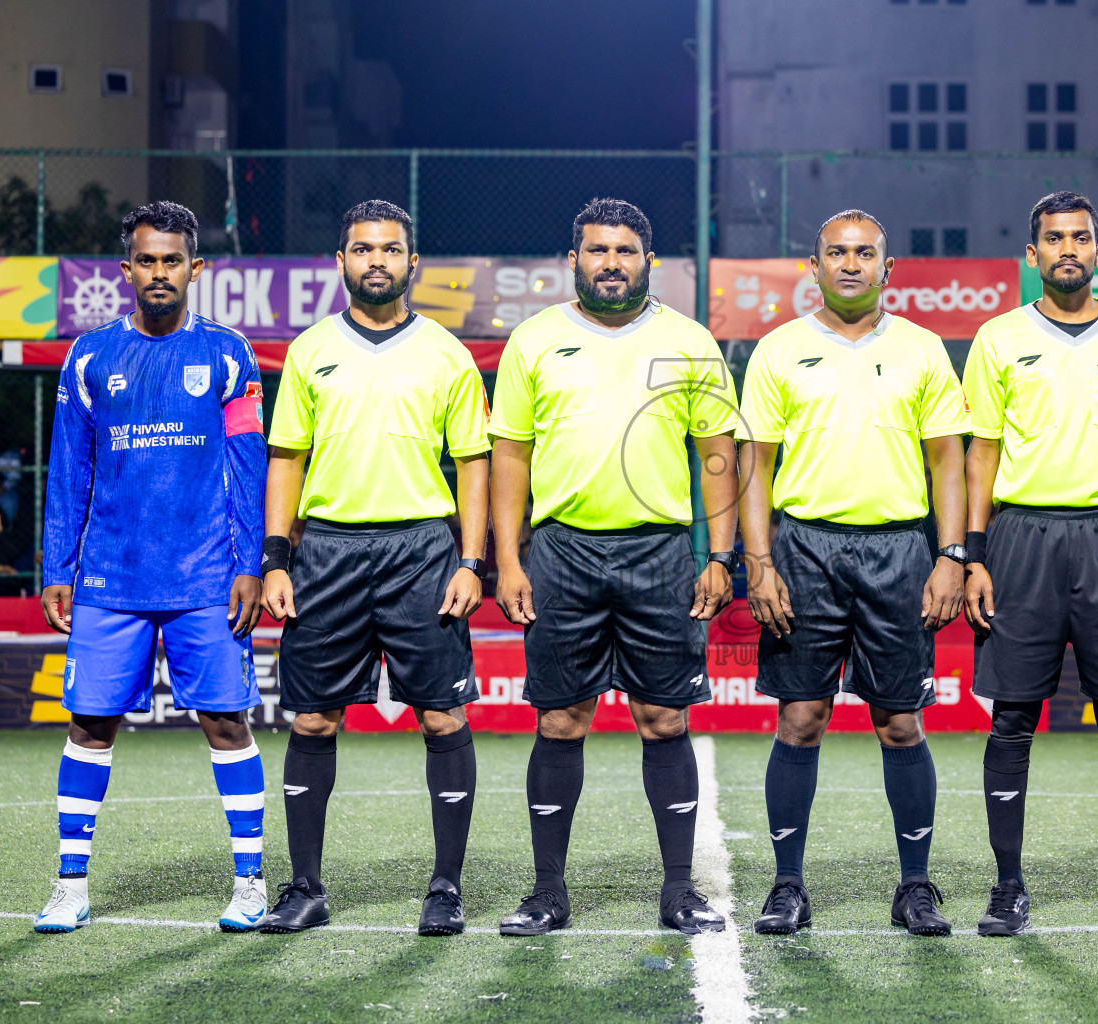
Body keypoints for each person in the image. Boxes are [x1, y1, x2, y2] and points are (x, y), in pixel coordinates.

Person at [489, 197, 739, 937]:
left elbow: (717, 456)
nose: (611, 263)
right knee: (560, 719)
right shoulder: (534, 340)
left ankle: (679, 891)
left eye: (625, 251)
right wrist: (508, 558)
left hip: (658, 553)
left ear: (649, 261)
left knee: (664, 719)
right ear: (574, 260)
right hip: (562, 552)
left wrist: (719, 556)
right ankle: (547, 893)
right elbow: (510, 456)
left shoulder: (690, 341)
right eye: (597, 250)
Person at [32, 201, 269, 934]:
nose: (158, 272)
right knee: (90, 725)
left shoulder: (228, 354)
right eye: (146, 260)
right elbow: (68, 470)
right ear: (126, 269)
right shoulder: (89, 356)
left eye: (172, 260)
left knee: (226, 723)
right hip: (111, 577)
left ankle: (250, 881)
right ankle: (71, 884)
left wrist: (250, 562)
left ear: (196, 268)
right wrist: (57, 565)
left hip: (207, 578)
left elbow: (248, 466)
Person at [259, 200, 489, 937]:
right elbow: (286, 458)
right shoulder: (309, 351)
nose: (377, 261)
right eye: (363, 249)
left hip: (421, 550)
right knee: (314, 718)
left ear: (412, 263)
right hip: (326, 551)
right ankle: (305, 887)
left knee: (442, 715)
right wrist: (276, 559)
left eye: (390, 249)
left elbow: (473, 464)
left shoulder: (447, 354)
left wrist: (472, 560)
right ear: (341, 262)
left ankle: (446, 887)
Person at [739, 210, 968, 937]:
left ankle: (916, 887)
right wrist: (759, 563)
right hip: (804, 550)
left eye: (864, 253)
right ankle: (787, 886)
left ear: (886, 268)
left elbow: (948, 461)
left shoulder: (923, 349)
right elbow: (754, 467)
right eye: (835, 252)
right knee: (801, 718)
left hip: (899, 551)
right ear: (813, 268)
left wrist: (951, 555)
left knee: (900, 723)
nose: (849, 264)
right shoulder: (778, 351)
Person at [962, 191, 1098, 938]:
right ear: (1033, 255)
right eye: (1053, 238)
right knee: (1012, 719)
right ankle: (1007, 888)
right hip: (1021, 538)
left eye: (1080, 238)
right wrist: (973, 554)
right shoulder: (997, 337)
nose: (1067, 249)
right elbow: (981, 452)